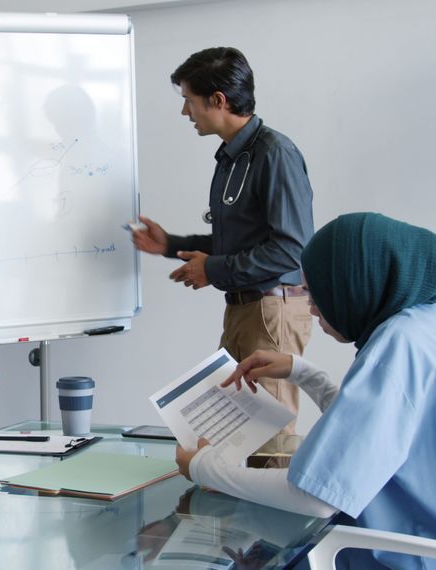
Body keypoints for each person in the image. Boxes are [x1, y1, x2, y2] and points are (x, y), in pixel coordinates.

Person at [176, 213, 436, 568]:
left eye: (315, 293)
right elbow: (380, 434)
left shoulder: (399, 345)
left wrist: (203, 466)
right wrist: (305, 373)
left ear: (353, 285)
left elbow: (314, 496)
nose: (312, 308)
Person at [131, 47, 315, 457]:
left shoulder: (275, 153)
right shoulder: (232, 158)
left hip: (272, 312)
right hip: (245, 308)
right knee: (237, 432)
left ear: (219, 100)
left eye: (189, 101)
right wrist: (173, 246)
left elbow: (290, 251)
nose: (185, 113)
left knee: (270, 440)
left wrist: (212, 270)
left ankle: (279, 520)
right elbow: (242, 242)